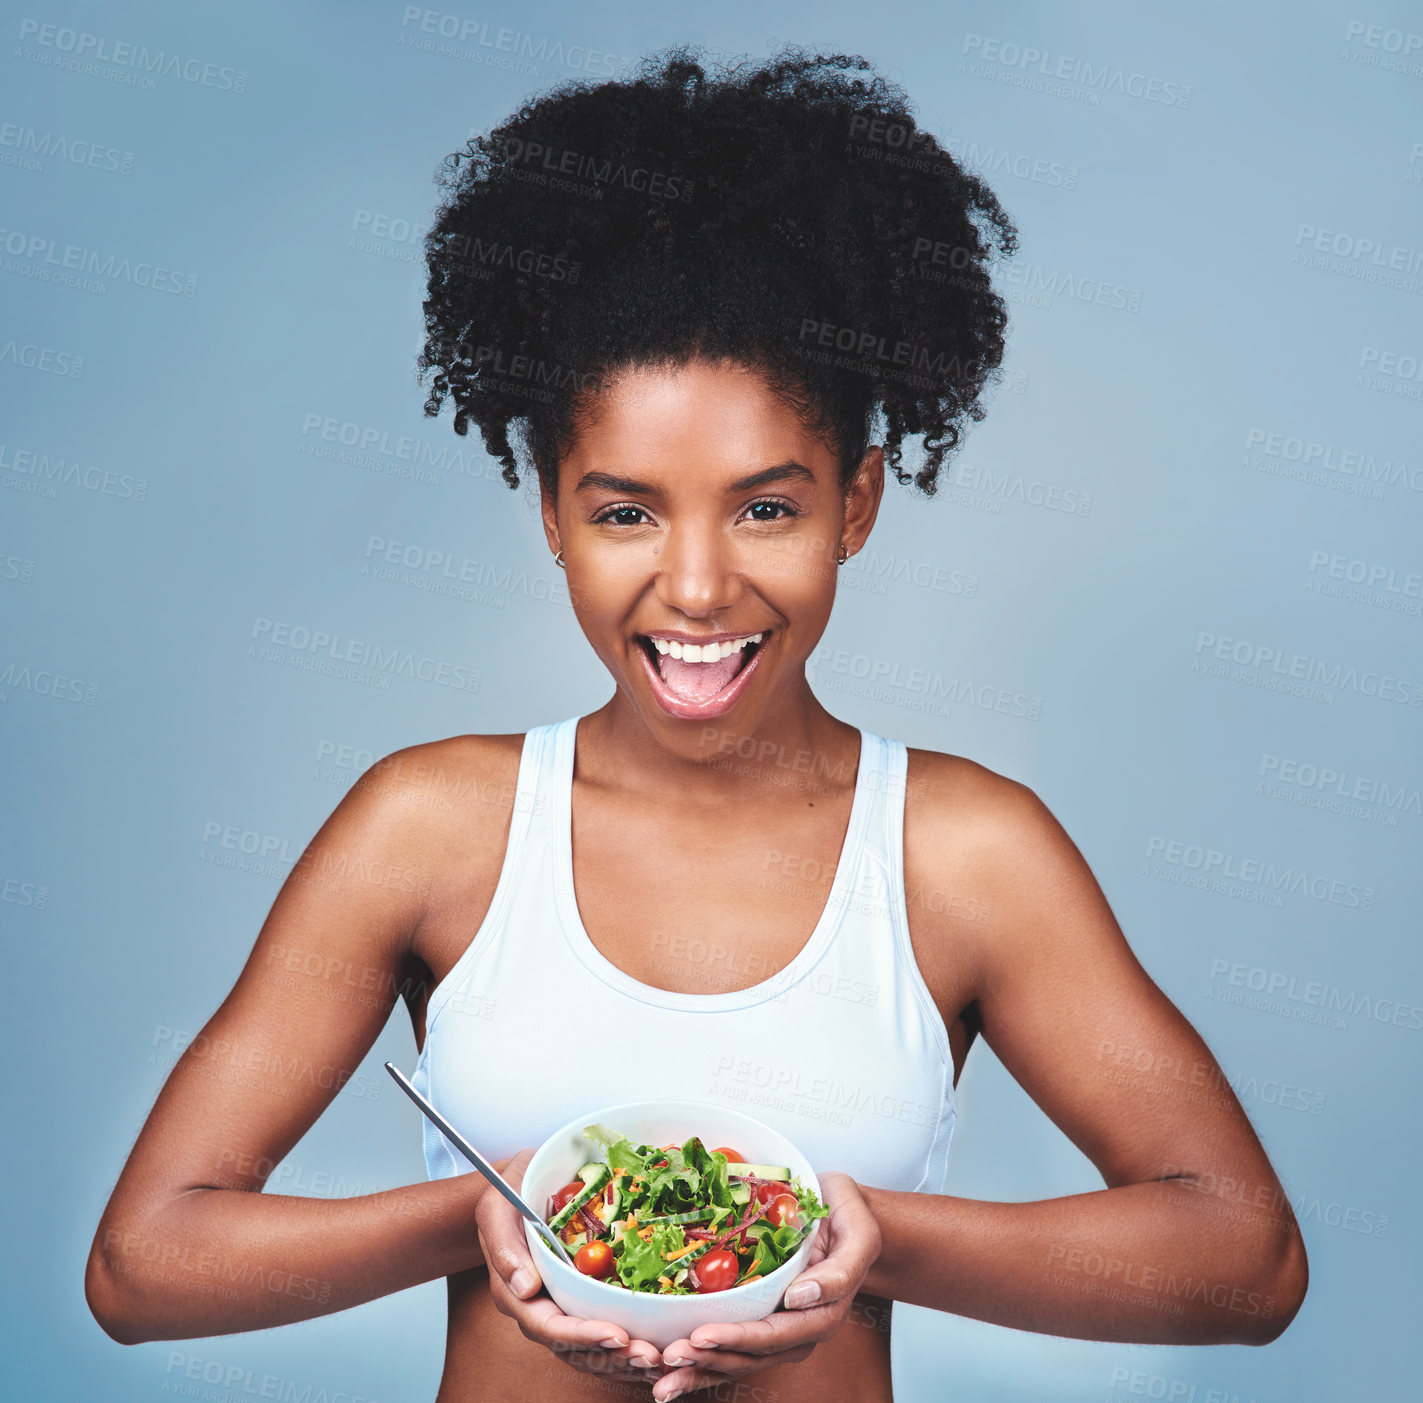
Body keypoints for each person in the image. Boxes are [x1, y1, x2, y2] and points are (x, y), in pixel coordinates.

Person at [85, 46, 1307, 1403]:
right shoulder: (427, 829)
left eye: (766, 507)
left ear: (857, 505)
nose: (699, 585)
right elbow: (145, 1265)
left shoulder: (964, 854)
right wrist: (485, 1220)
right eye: (626, 512)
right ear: (551, 511)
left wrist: (878, 1244)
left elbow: (1243, 1259)